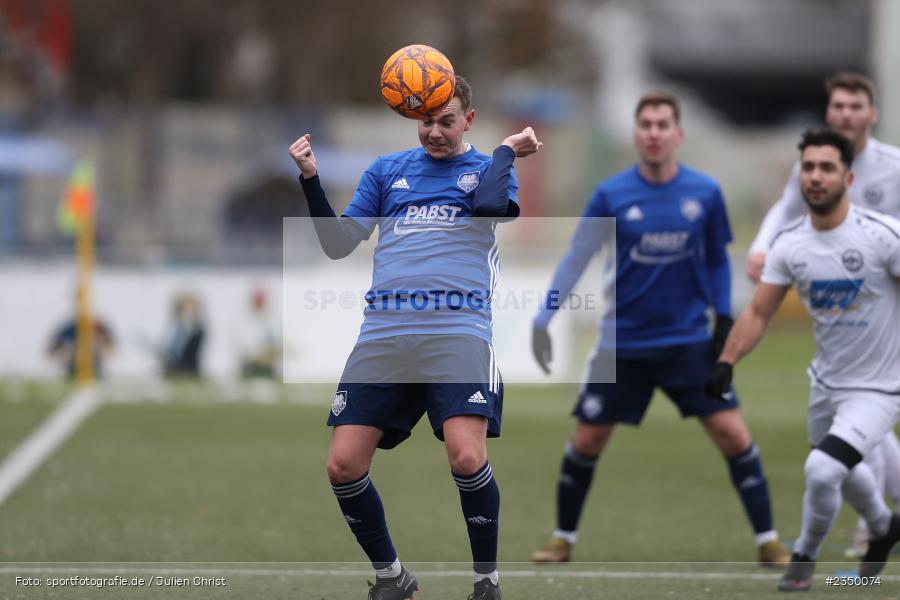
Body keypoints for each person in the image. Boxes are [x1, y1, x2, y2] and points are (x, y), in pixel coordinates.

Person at [289, 75, 542, 600]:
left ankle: (486, 585)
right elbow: (339, 245)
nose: (434, 132)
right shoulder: (386, 171)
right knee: (342, 465)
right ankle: (391, 577)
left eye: (446, 120)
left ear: (467, 120)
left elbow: (493, 208)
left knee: (467, 457)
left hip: (458, 329)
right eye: (426, 120)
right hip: (384, 332)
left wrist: (503, 153)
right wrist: (311, 179)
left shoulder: (488, 169)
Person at [529, 91, 790, 567]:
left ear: (678, 134)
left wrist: (723, 315)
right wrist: (545, 316)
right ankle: (562, 539)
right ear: (635, 134)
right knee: (587, 440)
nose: (653, 132)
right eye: (645, 124)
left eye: (662, 124)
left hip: (687, 343)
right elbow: (577, 257)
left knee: (733, 435)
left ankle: (769, 541)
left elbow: (714, 261)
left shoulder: (705, 193)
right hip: (622, 345)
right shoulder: (611, 193)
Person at [707, 128, 900, 591]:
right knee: (837, 466)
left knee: (822, 468)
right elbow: (758, 311)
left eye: (827, 168)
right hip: (826, 384)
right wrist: (726, 361)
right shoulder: (791, 245)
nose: (816, 177)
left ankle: (805, 558)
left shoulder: (883, 237)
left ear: (848, 178)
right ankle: (883, 526)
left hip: (880, 388)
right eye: (809, 168)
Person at [746, 71, 900, 555]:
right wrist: (760, 246)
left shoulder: (894, 167)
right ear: (829, 112)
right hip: (853, 315)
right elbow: (784, 208)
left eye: (855, 107)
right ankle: (878, 520)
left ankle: (872, 522)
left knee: (863, 412)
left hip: (889, 309)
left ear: (871, 114)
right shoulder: (814, 166)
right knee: (863, 416)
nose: (846, 115)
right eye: (838, 107)